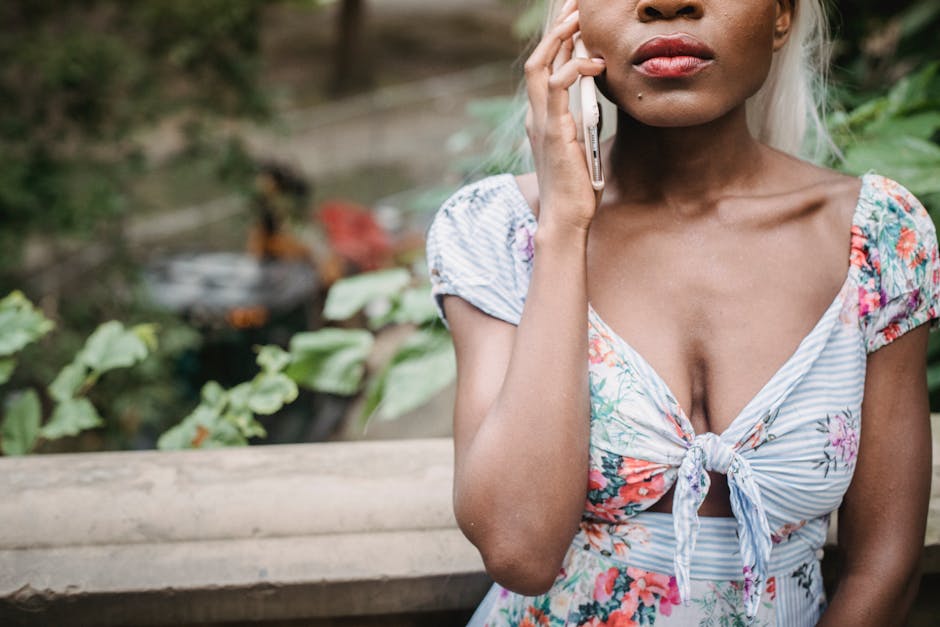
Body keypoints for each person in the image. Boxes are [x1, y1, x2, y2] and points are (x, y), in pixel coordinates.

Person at [426, 0, 938, 625]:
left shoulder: (880, 237)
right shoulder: (498, 229)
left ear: (782, 15)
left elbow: (884, 562)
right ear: (573, 17)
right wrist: (564, 226)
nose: (668, 2)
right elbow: (519, 550)